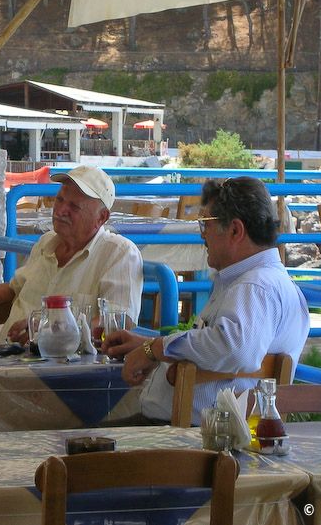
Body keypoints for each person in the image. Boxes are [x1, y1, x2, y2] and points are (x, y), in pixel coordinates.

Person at [103, 177, 310, 426]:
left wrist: (156, 349)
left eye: (206, 225)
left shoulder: (254, 286)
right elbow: (226, 345)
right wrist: (150, 345)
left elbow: (235, 348)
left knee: (75, 447)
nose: (203, 236)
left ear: (235, 230)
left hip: (198, 438)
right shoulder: (265, 281)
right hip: (199, 430)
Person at [0, 165, 143, 342]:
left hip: (60, 370)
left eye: (74, 206)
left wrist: (51, 329)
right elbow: (14, 288)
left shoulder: (119, 253)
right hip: (6, 360)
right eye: (59, 200)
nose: (61, 211)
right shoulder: (46, 243)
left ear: (101, 217)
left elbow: (118, 321)